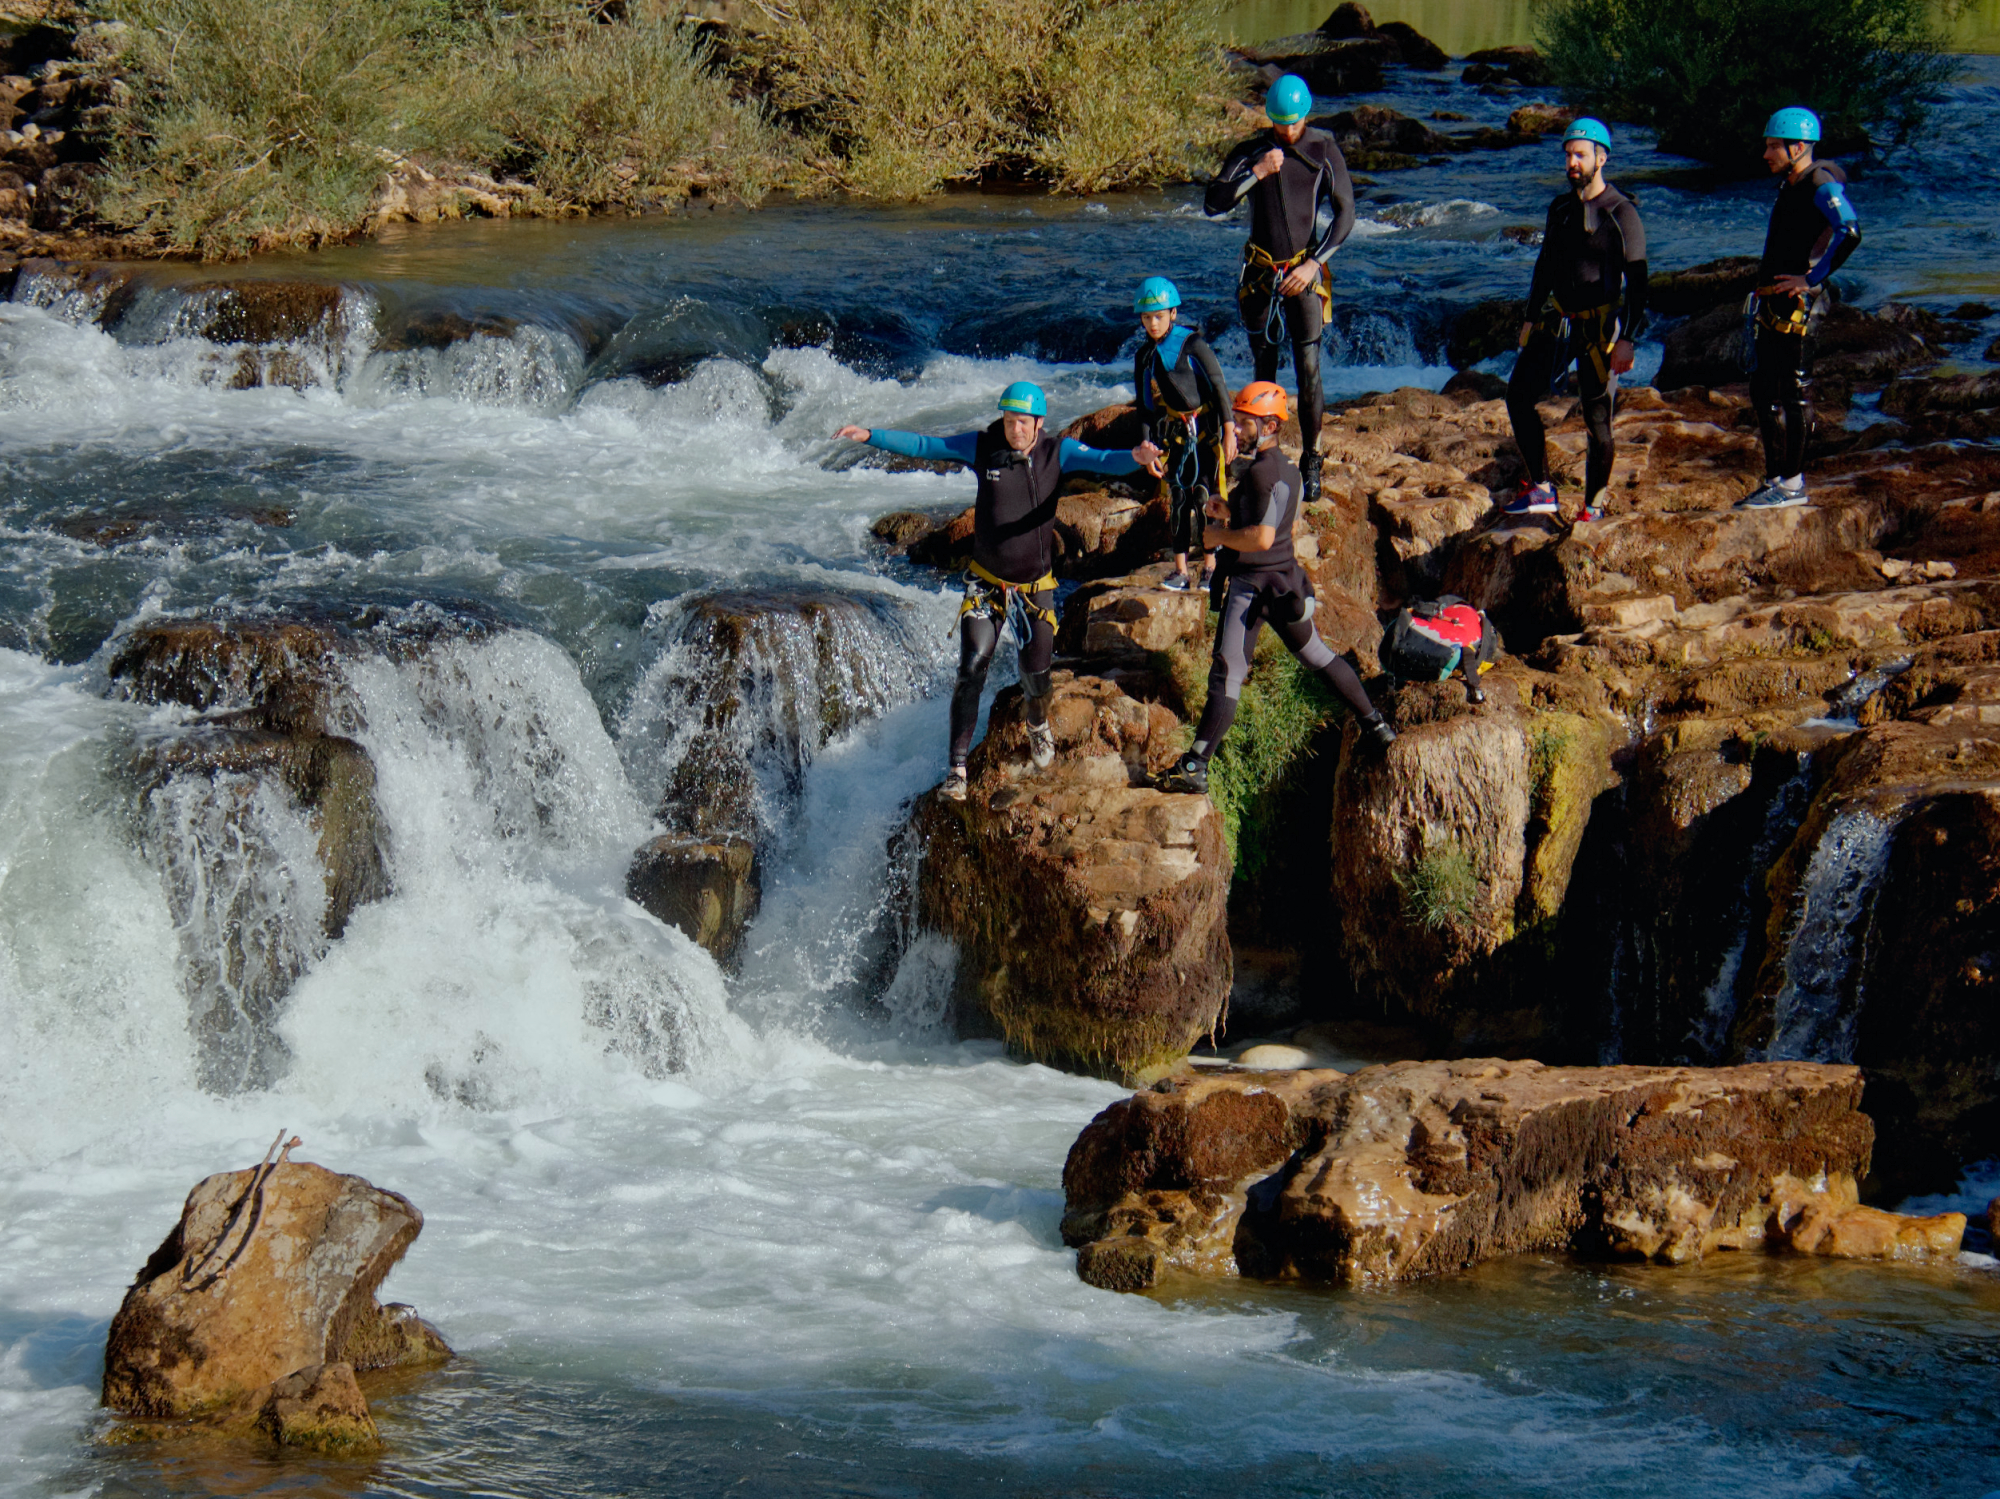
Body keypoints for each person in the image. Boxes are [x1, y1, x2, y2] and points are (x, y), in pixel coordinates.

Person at [835, 382, 1162, 801]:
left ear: (1039, 423)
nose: (1015, 430)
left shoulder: (1057, 452)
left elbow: (1101, 460)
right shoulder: (983, 446)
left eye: (1022, 423)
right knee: (971, 669)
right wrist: (869, 435)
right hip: (986, 585)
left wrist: (1135, 457)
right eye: (1009, 421)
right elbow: (926, 445)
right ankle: (957, 769)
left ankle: (1036, 722)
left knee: (1037, 676)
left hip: (1034, 589)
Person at [1157, 382, 1394, 796]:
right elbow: (1281, 521)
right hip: (1286, 584)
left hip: (1252, 587)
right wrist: (1230, 510)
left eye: (1244, 422)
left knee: (1227, 672)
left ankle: (1195, 766)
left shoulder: (1259, 472)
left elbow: (1262, 538)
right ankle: (1375, 725)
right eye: (1237, 420)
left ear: (1269, 425)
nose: (1236, 428)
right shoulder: (1288, 470)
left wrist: (1217, 536)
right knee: (1318, 656)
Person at [1203, 71, 1355, 506]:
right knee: (1263, 370)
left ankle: (1312, 458)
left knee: (1309, 369)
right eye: (1279, 123)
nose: (1287, 131)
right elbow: (1213, 203)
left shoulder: (1322, 150)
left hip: (1303, 273)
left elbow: (1346, 214)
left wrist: (1312, 265)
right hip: (1260, 274)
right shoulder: (1253, 151)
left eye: (1294, 123)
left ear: (1305, 115)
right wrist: (1257, 172)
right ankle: (1262, 456)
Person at [1504, 117, 1646, 523]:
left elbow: (1638, 283)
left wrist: (1628, 338)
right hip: (1559, 322)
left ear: (1601, 158)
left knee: (1597, 419)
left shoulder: (1621, 212)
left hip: (1600, 329)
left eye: (1580, 155)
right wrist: (1530, 317)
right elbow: (1545, 265)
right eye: (1567, 154)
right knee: (1518, 397)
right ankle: (1542, 488)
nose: (1572, 162)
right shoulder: (1561, 208)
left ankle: (1593, 508)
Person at [1740, 105, 1861, 510]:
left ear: (1798, 147)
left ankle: (1793, 485)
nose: (1766, 154)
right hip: (1774, 302)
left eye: (1774, 147)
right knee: (1763, 392)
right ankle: (1775, 478)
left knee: (1794, 393)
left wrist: (1810, 280)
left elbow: (1850, 231)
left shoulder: (1820, 183)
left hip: (1800, 306)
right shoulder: (1791, 183)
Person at [1131, 275, 1234, 592]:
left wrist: (1229, 429)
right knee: (1178, 500)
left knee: (1204, 497)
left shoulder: (1193, 344)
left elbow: (1218, 385)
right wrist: (1147, 445)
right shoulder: (1144, 356)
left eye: (1159, 316)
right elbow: (1145, 407)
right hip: (1175, 434)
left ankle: (1211, 567)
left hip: (1205, 430)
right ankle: (1180, 571)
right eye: (1147, 317)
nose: (1152, 324)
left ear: (1173, 313)